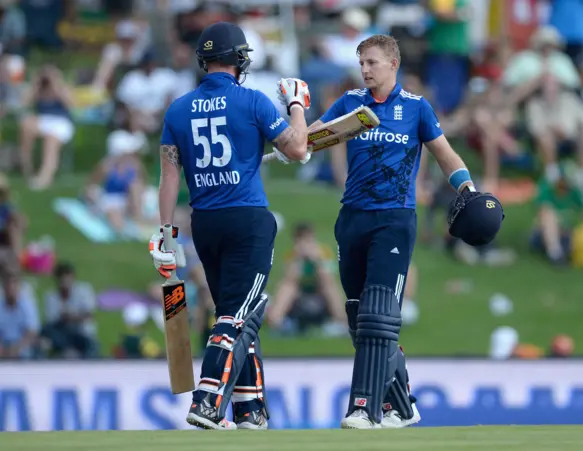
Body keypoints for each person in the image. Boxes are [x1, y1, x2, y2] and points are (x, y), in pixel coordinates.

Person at [305, 35, 502, 429]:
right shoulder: (350, 104)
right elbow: (310, 142)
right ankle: (402, 406)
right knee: (359, 317)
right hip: (352, 218)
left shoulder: (416, 108)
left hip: (395, 218)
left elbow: (444, 154)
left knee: (380, 312)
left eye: (372, 62)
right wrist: (297, 124)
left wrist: (467, 189)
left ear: (393, 63)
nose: (364, 69)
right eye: (361, 62)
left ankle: (364, 407)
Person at [148, 22, 311, 431]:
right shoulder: (252, 100)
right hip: (248, 219)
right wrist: (297, 105)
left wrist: (165, 233)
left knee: (233, 314)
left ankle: (249, 408)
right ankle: (206, 400)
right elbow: (299, 148)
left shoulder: (178, 108)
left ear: (204, 62)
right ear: (240, 59)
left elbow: (169, 178)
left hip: (204, 223)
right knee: (240, 314)